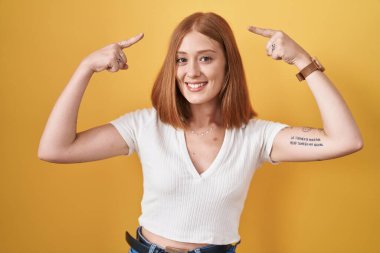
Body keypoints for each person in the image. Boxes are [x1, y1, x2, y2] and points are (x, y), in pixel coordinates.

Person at [38, 12, 363, 253]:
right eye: (181, 60)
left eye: (205, 58)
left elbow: (346, 140)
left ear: (227, 66)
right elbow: (55, 149)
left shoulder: (256, 136)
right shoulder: (144, 126)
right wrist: (86, 68)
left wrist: (302, 61)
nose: (192, 72)